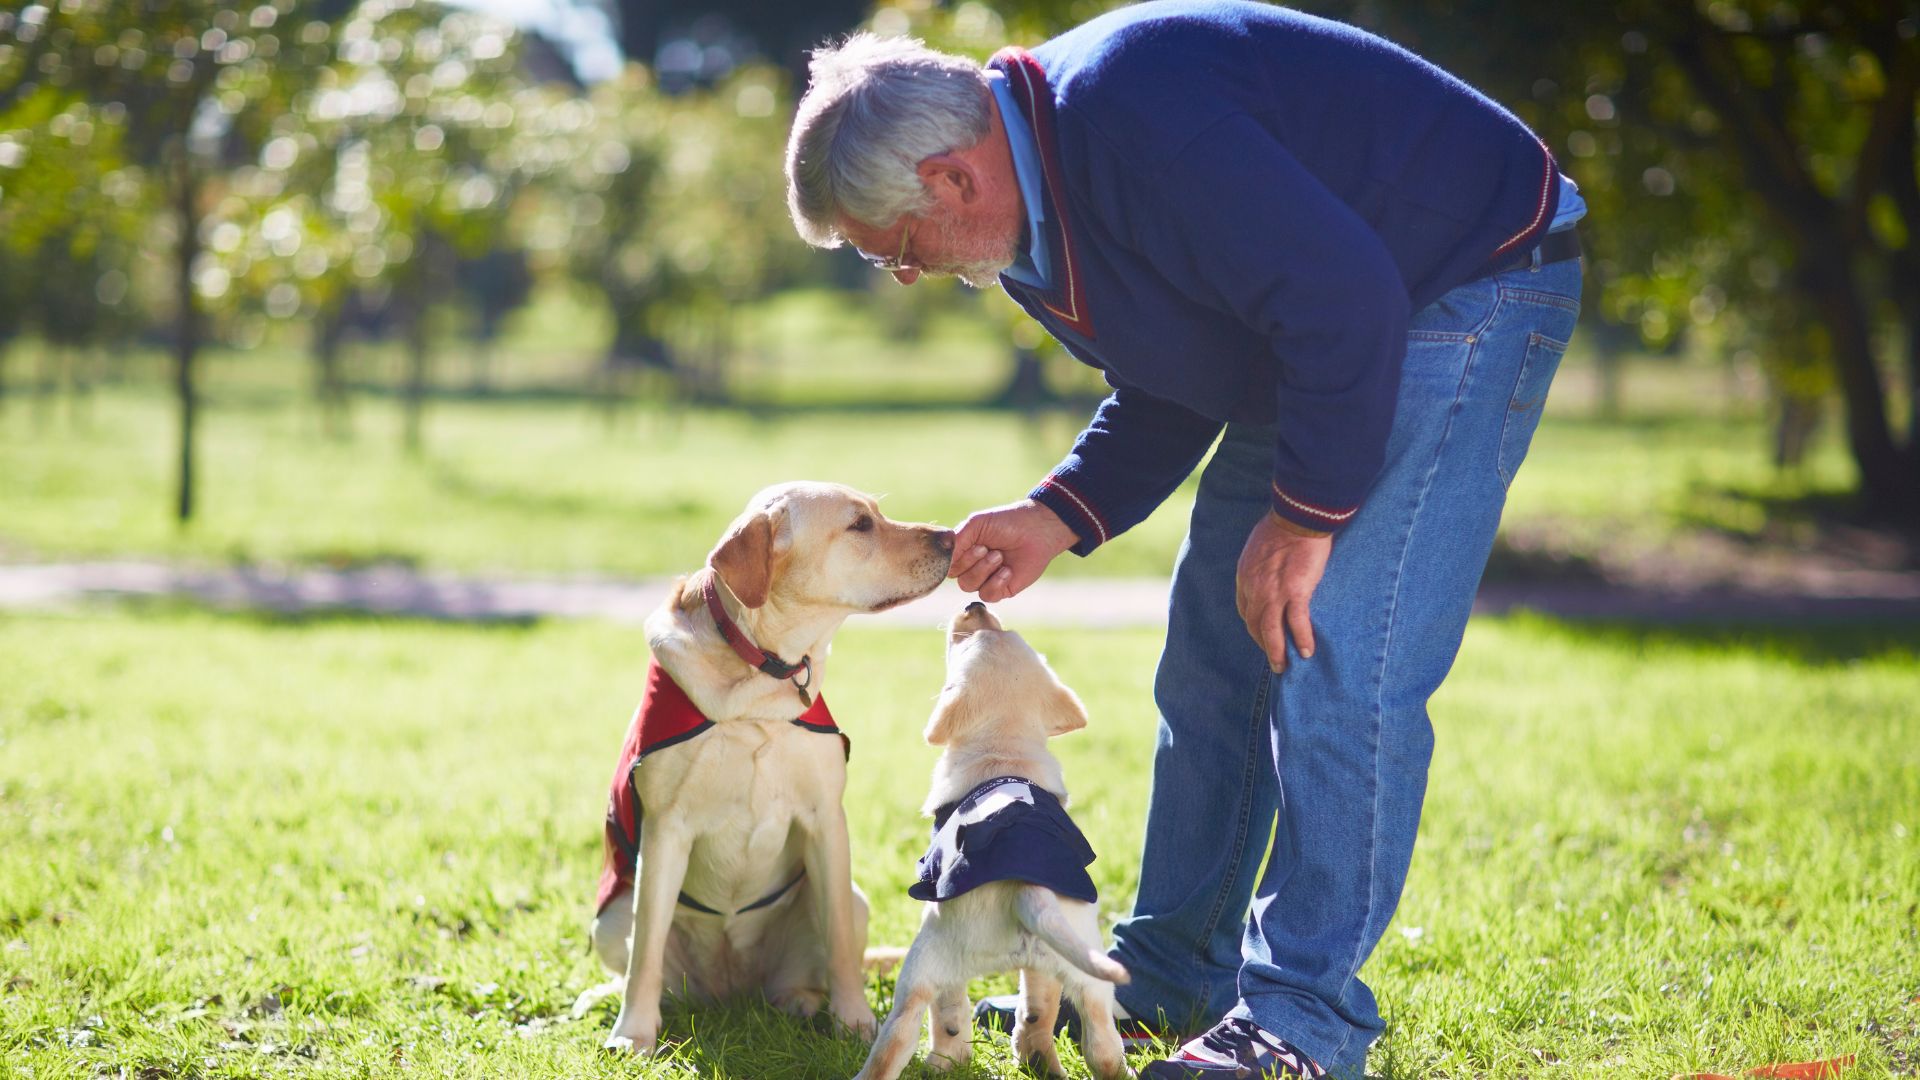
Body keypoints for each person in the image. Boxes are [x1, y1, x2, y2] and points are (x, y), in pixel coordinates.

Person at [784, 3, 1585, 1077]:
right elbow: (1186, 372)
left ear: (951, 179)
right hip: (1319, 332)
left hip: (1461, 276)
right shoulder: (1025, 224)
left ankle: (1303, 1023)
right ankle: (1169, 974)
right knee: (1214, 653)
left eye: (895, 246)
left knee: (1335, 650)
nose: (905, 272)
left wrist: (1305, 517)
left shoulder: (1133, 113)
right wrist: (1060, 511)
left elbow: (1344, 298)